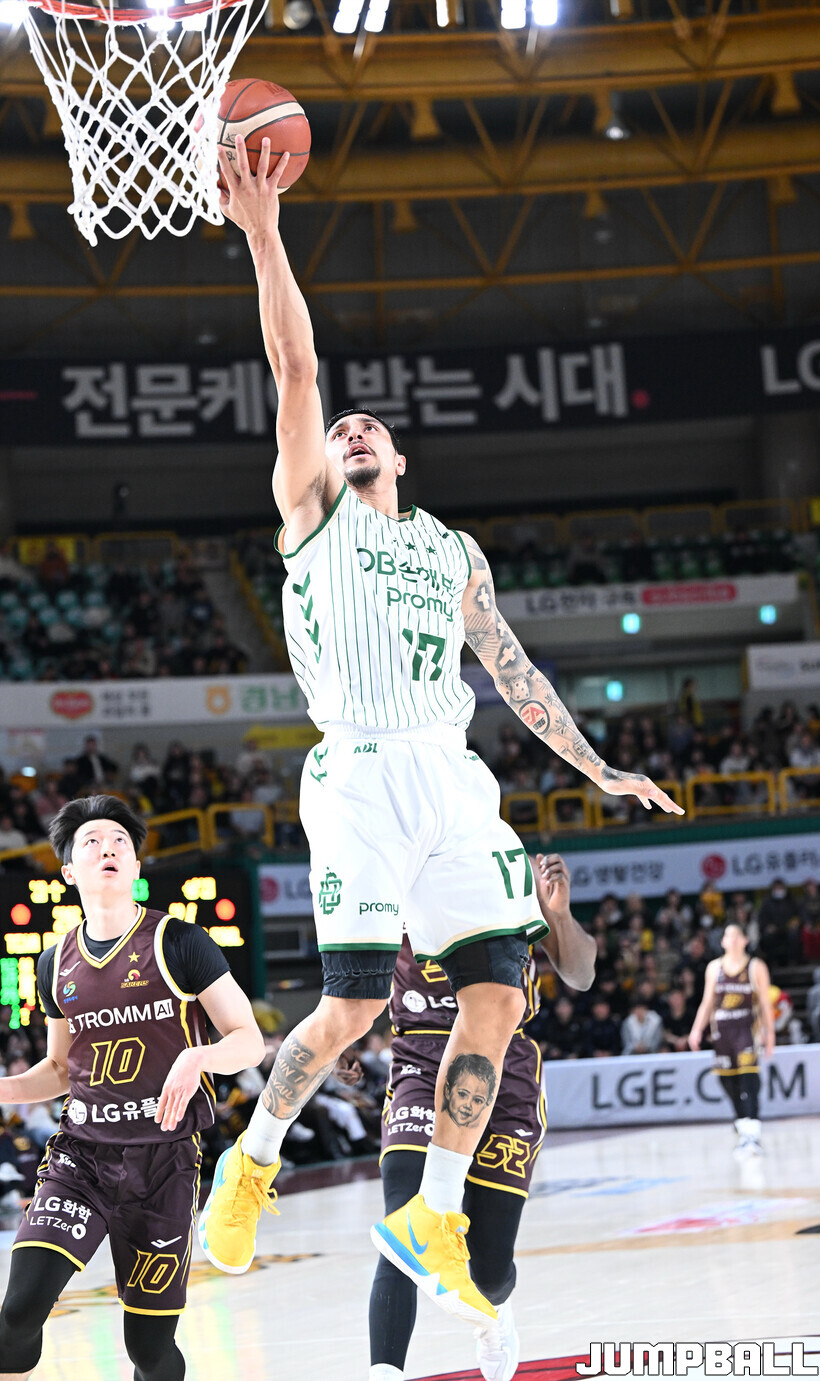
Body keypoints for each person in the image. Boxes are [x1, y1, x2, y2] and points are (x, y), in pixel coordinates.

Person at [197, 135, 683, 1326]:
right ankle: (251, 1159)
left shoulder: (454, 550)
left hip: (454, 777)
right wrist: (265, 236)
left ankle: (434, 1206)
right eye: (342, 428)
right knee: (354, 1006)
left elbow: (511, 670)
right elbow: (296, 364)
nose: (354, 430)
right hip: (359, 771)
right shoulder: (313, 515)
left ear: (402, 455)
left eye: (373, 428)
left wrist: (599, 766)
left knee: (499, 994)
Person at [0, 795, 264, 1380]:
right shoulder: (53, 963)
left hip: (163, 1164)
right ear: (69, 871)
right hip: (82, 1158)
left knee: (148, 1348)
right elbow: (59, 1069)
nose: (109, 848)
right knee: (16, 1314)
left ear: (137, 866)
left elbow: (248, 1039)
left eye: (120, 841)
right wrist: (4, 1089)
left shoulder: (179, 941)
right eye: (92, 841)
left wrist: (199, 1057)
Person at [369, 854, 595, 1381]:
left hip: (504, 1063)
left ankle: (496, 1310)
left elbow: (580, 975)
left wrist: (558, 915)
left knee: (489, 1270)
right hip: (422, 1058)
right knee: (405, 1224)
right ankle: (384, 1372)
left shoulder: (511, 869)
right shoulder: (387, 868)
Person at [687, 922, 775, 1159]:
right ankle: (742, 1123)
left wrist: (770, 1034)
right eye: (729, 936)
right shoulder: (714, 967)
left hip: (746, 1029)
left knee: (749, 1078)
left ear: (745, 940)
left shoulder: (755, 966)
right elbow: (707, 1002)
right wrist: (696, 1030)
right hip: (722, 1032)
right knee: (727, 1081)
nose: (733, 940)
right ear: (723, 942)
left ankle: (753, 1131)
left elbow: (765, 1003)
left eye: (737, 936)